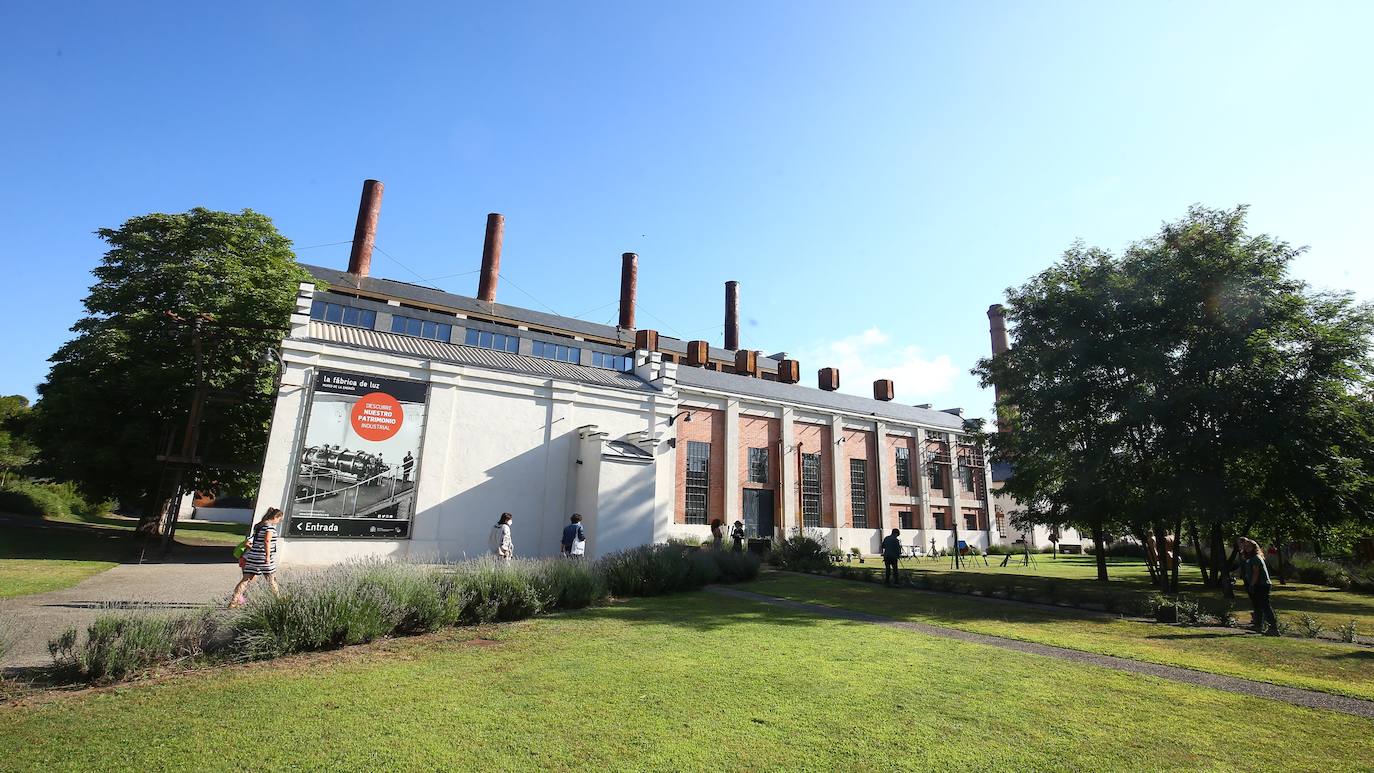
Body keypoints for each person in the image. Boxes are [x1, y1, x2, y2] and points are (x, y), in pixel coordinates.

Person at [229, 507, 284, 608]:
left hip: (253, 556)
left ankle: (234, 601)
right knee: (271, 579)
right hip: (264, 557)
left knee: (245, 579)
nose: (279, 521)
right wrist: (267, 556)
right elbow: (267, 541)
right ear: (275, 517)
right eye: (279, 519)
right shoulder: (269, 528)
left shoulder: (259, 526)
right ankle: (278, 600)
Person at [1239, 537, 1278, 636]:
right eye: (1246, 546)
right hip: (1257, 584)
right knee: (1257, 605)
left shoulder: (1256, 558)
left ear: (1254, 547)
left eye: (1249, 546)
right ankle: (1258, 625)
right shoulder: (1249, 558)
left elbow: (1256, 573)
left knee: (1265, 605)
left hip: (1262, 585)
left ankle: (1273, 628)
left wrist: (1252, 585)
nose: (1247, 548)